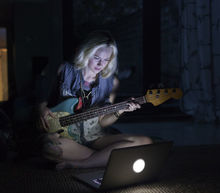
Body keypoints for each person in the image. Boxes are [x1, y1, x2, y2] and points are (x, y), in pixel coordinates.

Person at [36, 30, 152, 169]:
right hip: (65, 137)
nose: (100, 64)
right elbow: (41, 87)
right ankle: (105, 157)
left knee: (145, 142)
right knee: (50, 148)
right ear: (85, 52)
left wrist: (120, 111)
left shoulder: (111, 82)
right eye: (96, 57)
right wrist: (42, 107)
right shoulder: (65, 70)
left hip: (95, 137)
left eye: (106, 60)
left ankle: (78, 163)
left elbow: (102, 122)